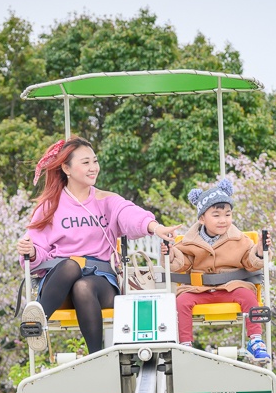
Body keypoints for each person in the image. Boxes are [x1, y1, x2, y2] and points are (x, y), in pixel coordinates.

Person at [18, 136, 178, 355]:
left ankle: (96, 355)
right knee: (70, 266)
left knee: (82, 287)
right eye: (85, 163)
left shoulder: (106, 200)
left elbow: (129, 214)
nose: (93, 168)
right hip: (60, 283)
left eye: (95, 161)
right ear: (66, 167)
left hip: (99, 283)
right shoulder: (50, 207)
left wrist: (154, 227)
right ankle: (37, 323)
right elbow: (38, 250)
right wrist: (32, 251)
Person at [165, 178, 271, 364]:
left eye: (227, 214)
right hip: (200, 289)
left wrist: (259, 252)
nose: (223, 220)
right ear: (202, 218)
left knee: (248, 297)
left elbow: (249, 261)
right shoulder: (190, 241)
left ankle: (255, 340)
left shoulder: (240, 239)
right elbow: (183, 264)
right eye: (216, 215)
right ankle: (185, 343)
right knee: (181, 301)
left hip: (232, 287)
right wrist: (172, 253)